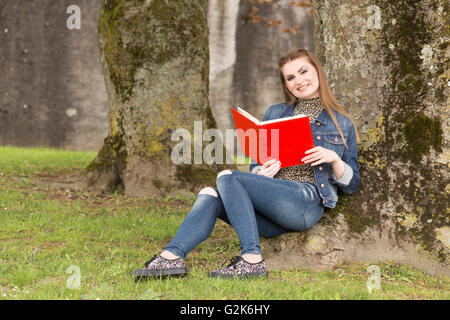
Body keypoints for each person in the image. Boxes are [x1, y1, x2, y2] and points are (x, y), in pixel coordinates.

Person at [132, 48, 360, 280]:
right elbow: (256, 165)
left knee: (227, 176)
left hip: (306, 202)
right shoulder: (275, 113)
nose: (299, 81)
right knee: (210, 193)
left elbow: (352, 184)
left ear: (317, 72)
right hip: (272, 209)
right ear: (286, 84)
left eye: (303, 71)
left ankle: (252, 259)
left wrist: (335, 159)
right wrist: (261, 172)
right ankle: (171, 257)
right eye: (290, 77)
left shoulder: (341, 122)